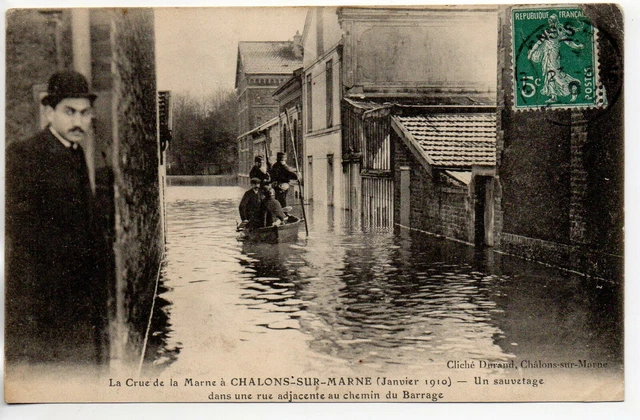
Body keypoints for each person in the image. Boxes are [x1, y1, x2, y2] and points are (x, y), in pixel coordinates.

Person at [5, 70, 108, 365]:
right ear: (50, 112)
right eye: (69, 112)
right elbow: (22, 231)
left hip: (79, 308)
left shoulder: (73, 153)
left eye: (85, 113)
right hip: (45, 311)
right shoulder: (25, 156)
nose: (78, 121)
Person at [527, 14, 584, 103]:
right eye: (549, 21)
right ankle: (554, 96)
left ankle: (573, 88)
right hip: (547, 55)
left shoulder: (559, 31)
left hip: (554, 54)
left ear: (555, 22)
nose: (550, 23)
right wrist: (531, 52)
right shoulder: (547, 31)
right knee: (549, 74)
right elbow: (539, 42)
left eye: (552, 21)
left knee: (555, 74)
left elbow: (568, 42)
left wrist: (577, 46)